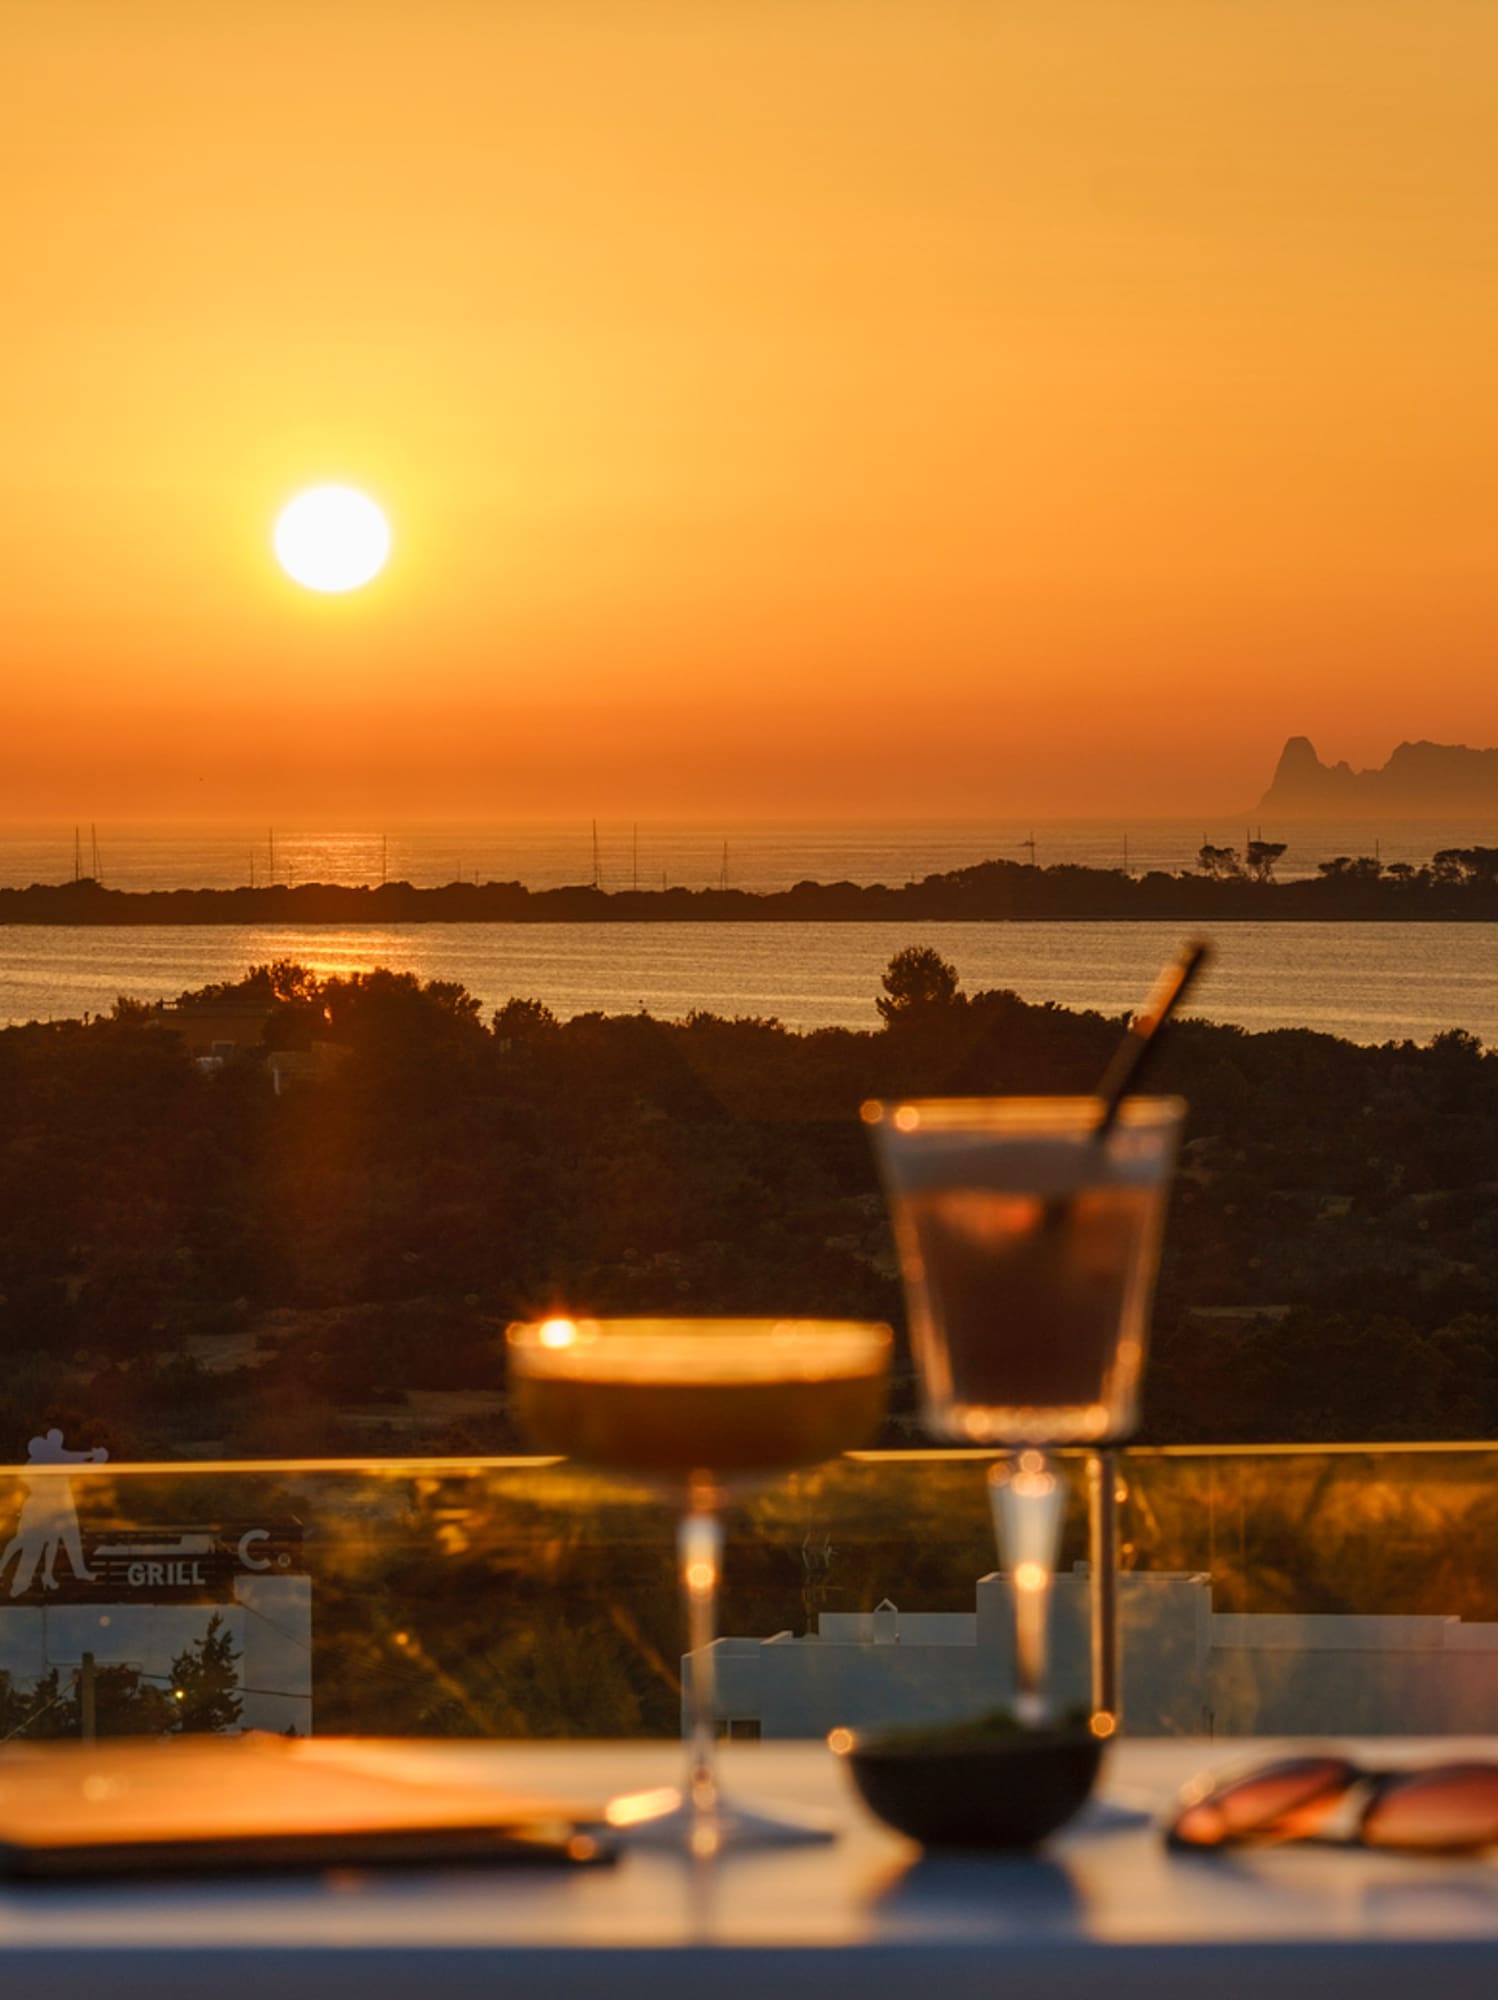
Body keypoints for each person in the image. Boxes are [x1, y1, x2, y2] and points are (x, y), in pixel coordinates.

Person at [0, 1429, 108, 1597]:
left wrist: (95, 1457)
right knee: (29, 1544)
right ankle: (19, 1582)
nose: (56, 1444)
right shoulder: (39, 1462)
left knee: (53, 1541)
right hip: (39, 1509)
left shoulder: (56, 1458)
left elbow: (73, 1459)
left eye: (58, 1440)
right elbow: (71, 1459)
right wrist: (94, 1456)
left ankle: (47, 1577)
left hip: (58, 1509)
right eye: (52, 1441)